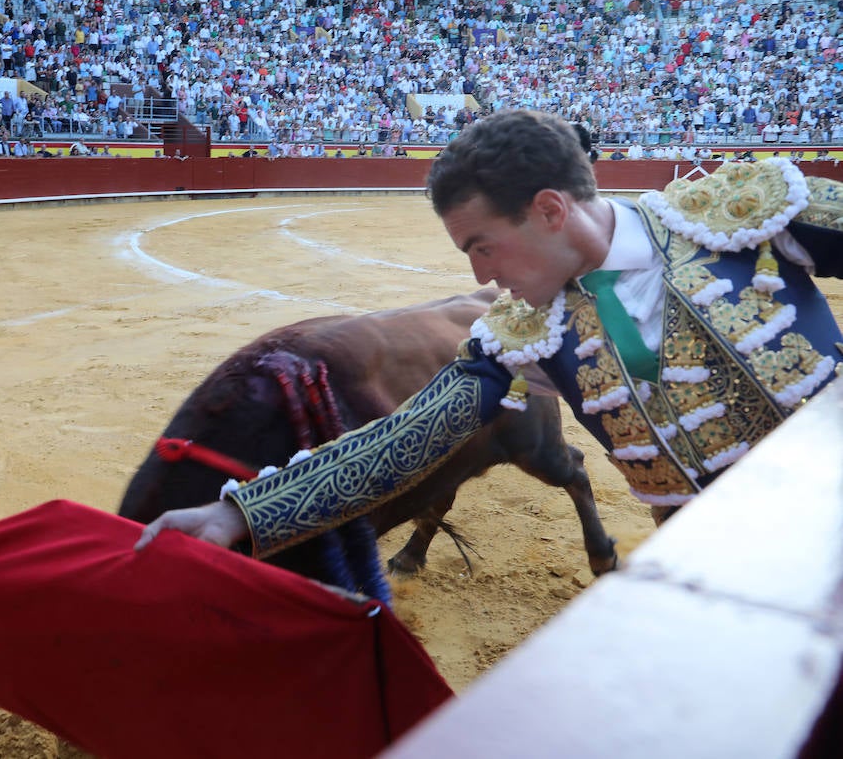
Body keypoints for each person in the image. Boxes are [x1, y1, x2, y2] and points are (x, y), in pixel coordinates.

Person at [137, 109, 842, 558]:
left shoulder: (739, 213)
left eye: (483, 246)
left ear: (549, 210)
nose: (483, 275)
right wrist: (242, 515)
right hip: (714, 567)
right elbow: (405, 439)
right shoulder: (522, 331)